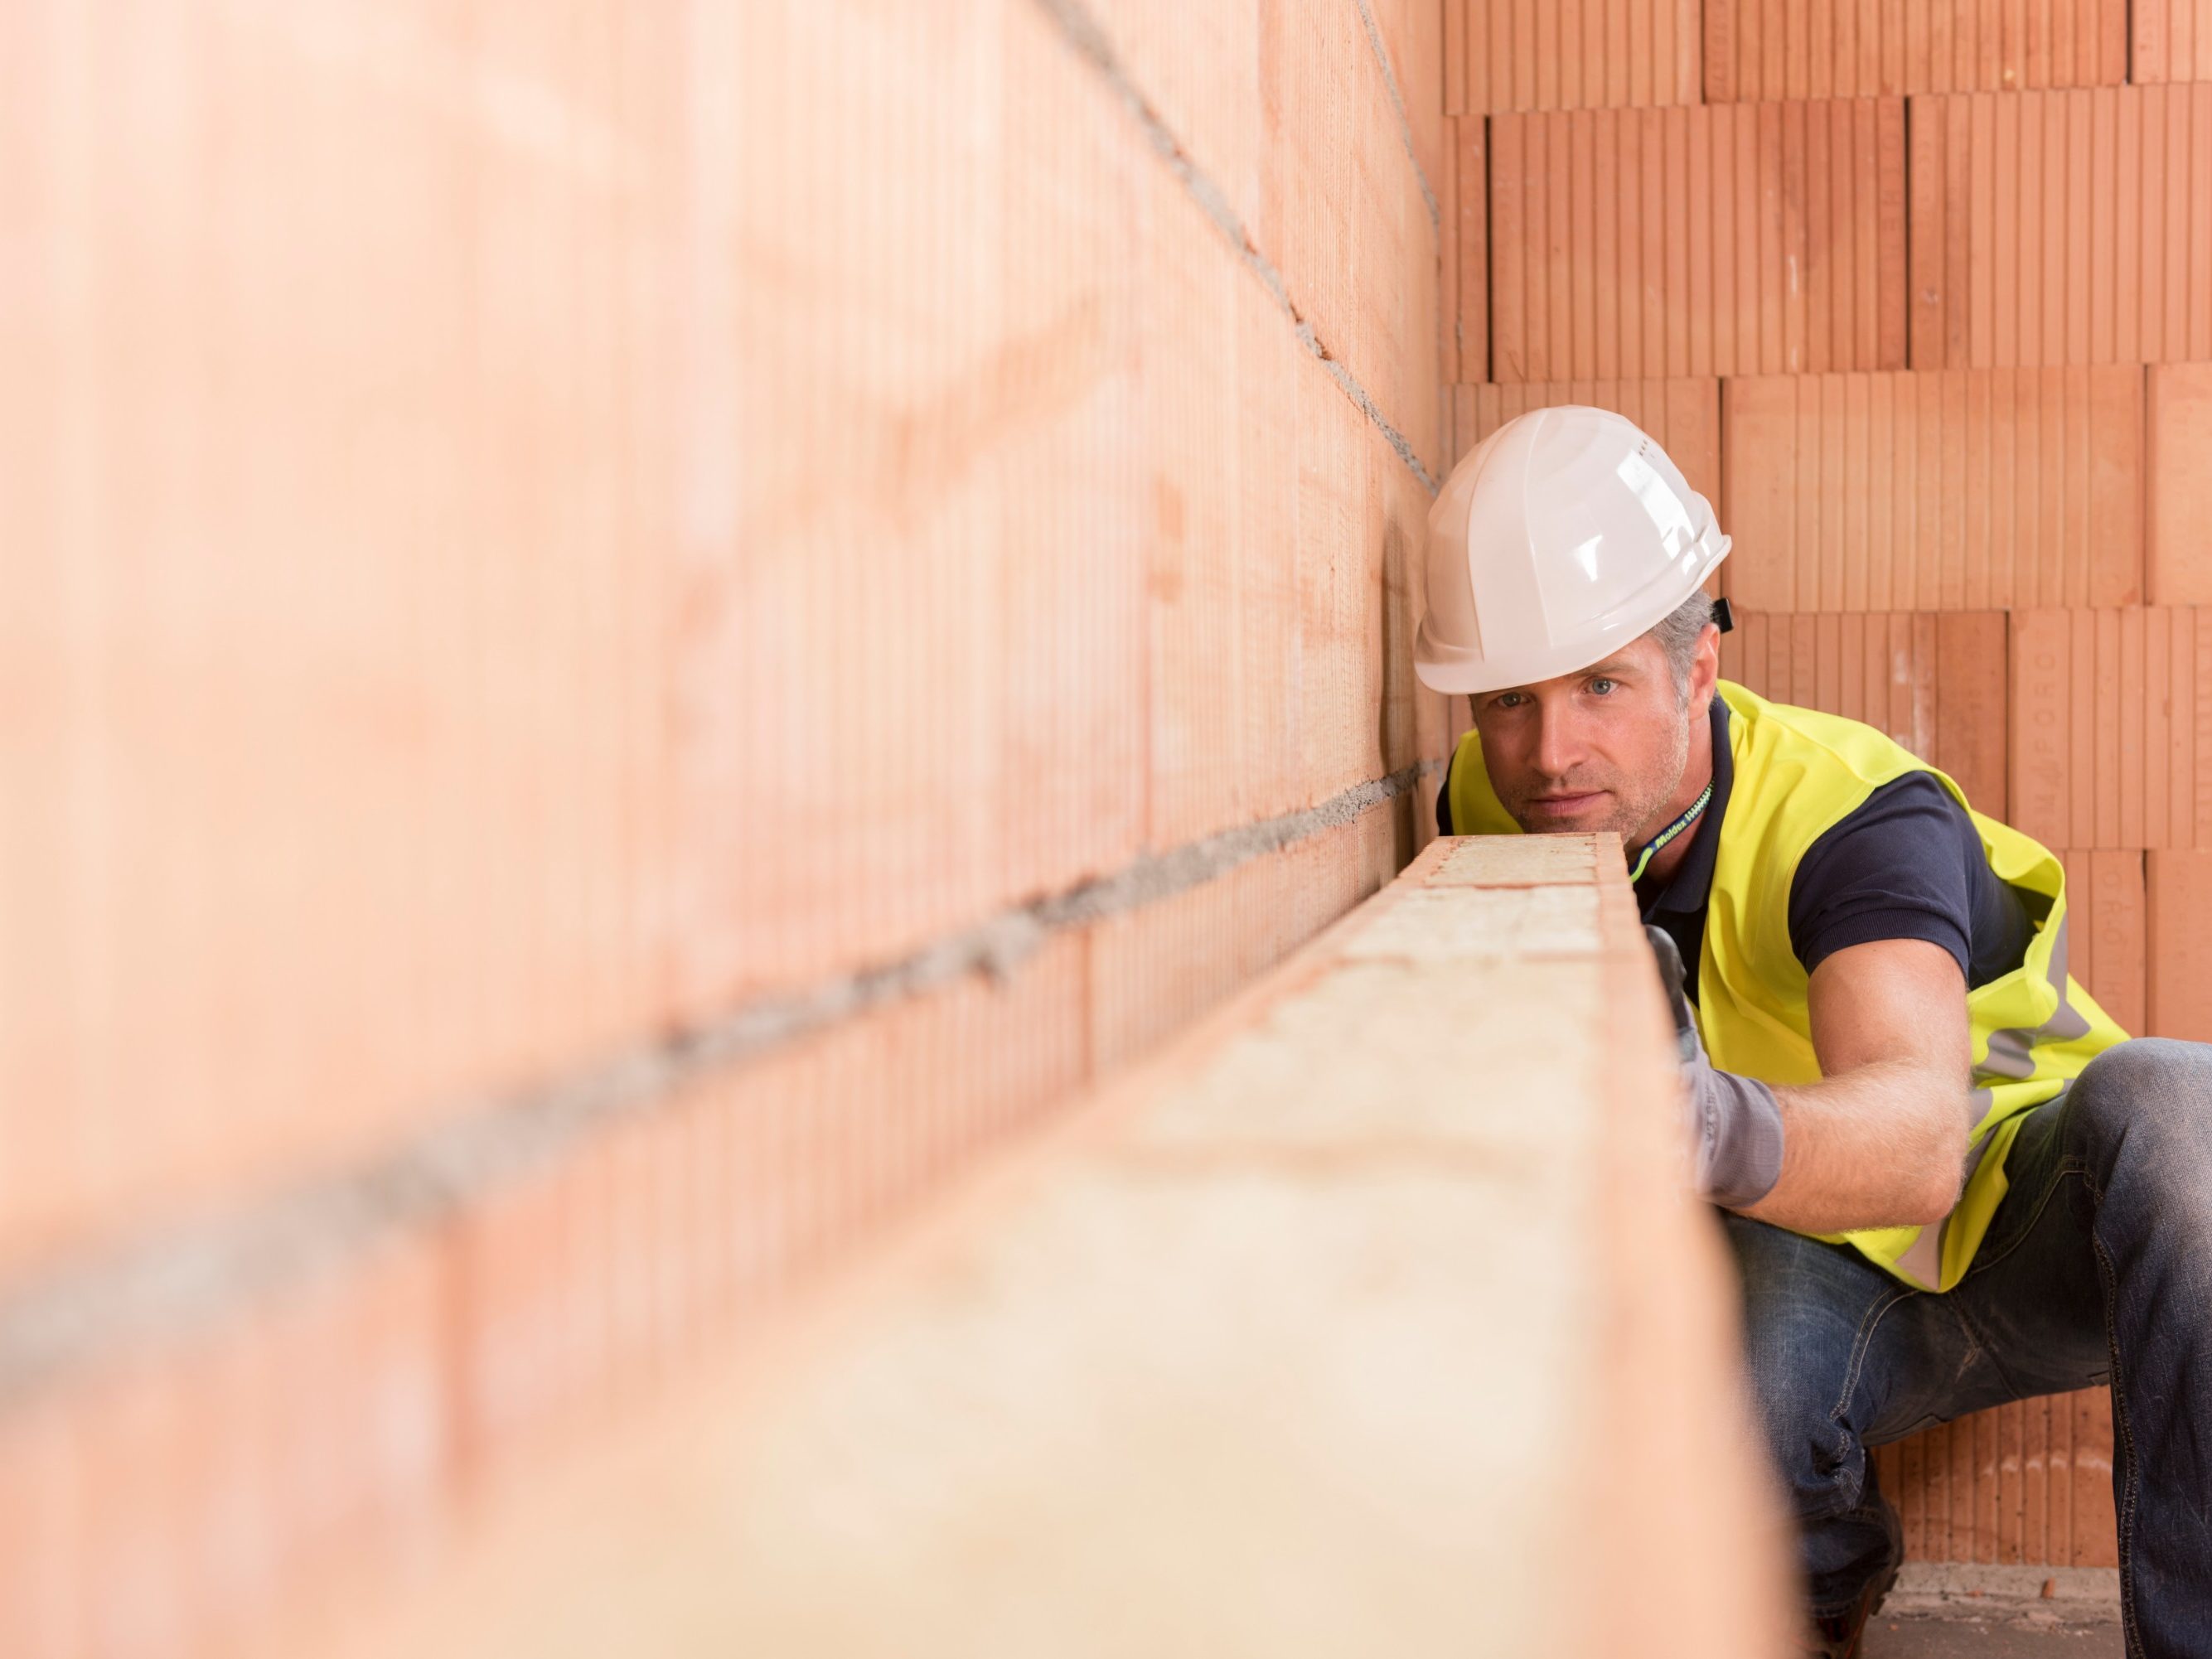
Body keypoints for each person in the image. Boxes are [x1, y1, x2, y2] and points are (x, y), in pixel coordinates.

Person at [1417, 406, 2212, 1659]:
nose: (1548, 750)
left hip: (2030, 1223)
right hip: (1812, 1248)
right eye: (1507, 698)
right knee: (1712, 1434)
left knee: (2180, 1104)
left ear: (1697, 671)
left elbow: (1912, 1147)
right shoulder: (1495, 797)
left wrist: (1684, 1119)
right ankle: (1814, 1581)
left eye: (1601, 684)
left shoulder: (1852, 817)